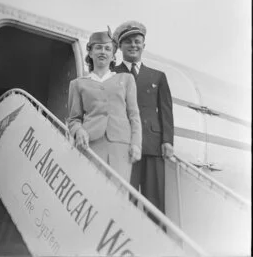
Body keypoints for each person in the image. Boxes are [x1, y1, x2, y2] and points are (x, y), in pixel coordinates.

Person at [113, 21, 174, 216]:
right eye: (128, 41)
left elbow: (166, 111)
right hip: (123, 145)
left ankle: (156, 244)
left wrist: (167, 141)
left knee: (155, 204)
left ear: (143, 46)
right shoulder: (112, 74)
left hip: (152, 145)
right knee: (123, 200)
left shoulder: (158, 76)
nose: (133, 45)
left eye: (137, 41)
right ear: (120, 47)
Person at [67, 29, 142, 183]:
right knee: (91, 191)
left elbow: (134, 115)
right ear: (90, 52)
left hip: (120, 146)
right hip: (90, 144)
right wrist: (79, 130)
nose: (103, 52)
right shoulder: (78, 84)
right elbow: (73, 119)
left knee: (118, 194)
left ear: (113, 55)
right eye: (98, 47)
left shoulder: (126, 79)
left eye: (108, 49)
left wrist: (136, 144)